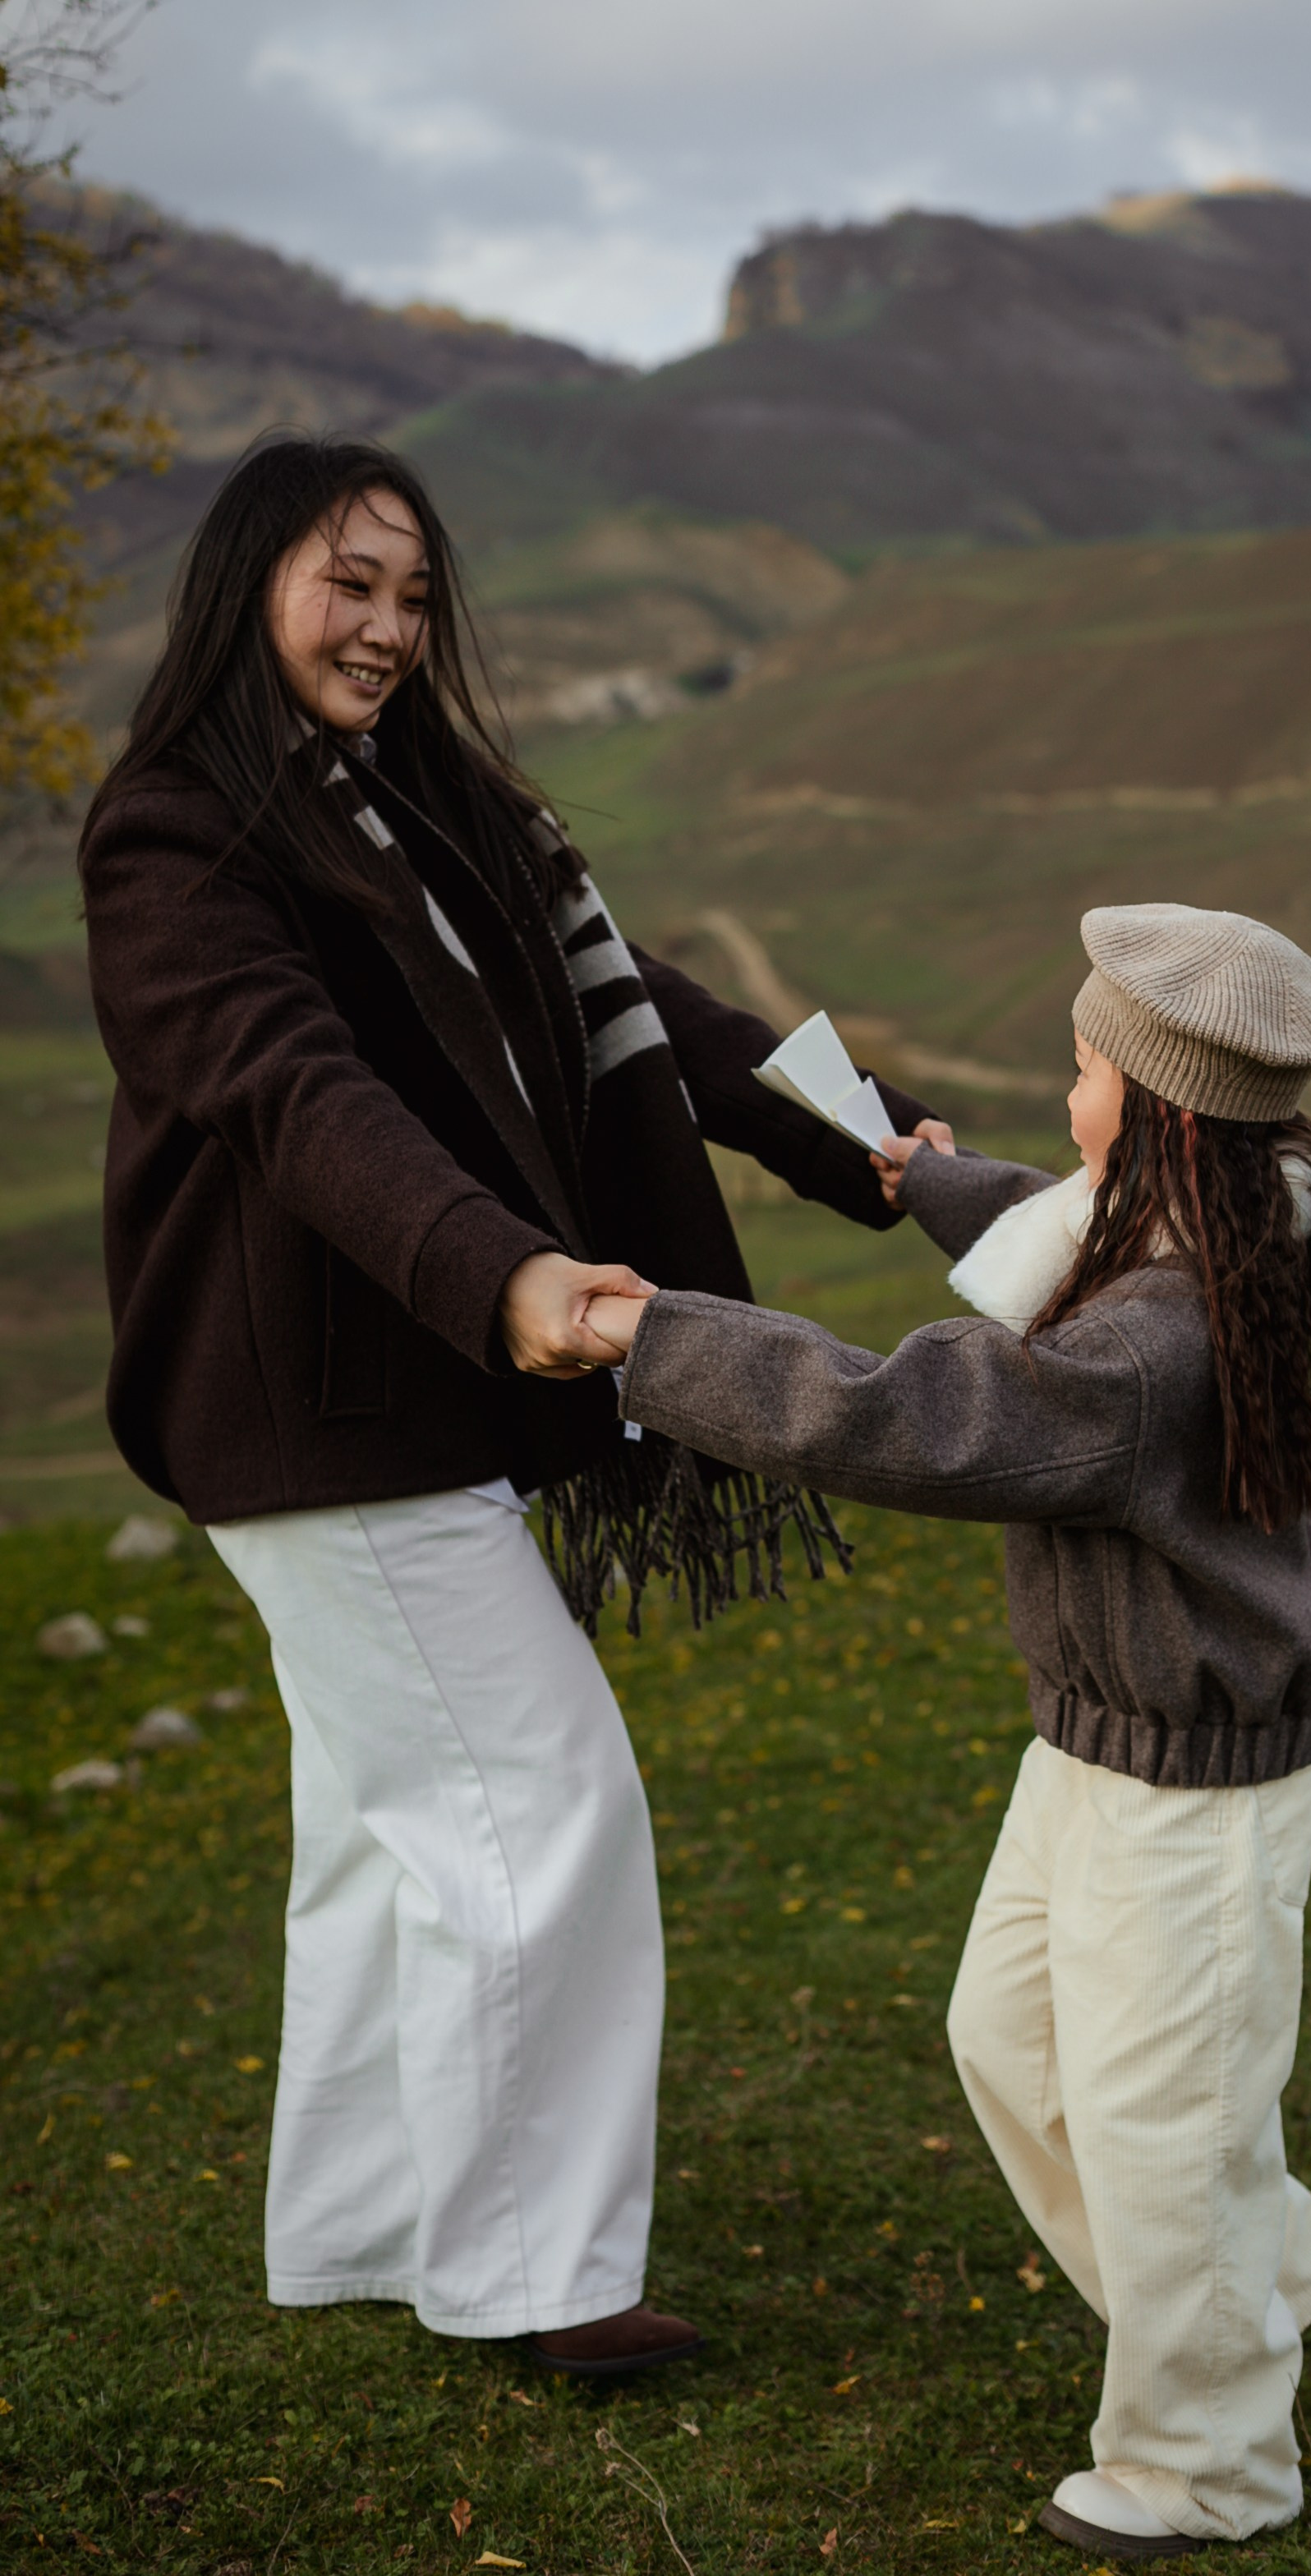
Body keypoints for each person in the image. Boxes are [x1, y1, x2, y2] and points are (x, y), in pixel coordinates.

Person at [78, 435, 937, 2380]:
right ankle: (539, 2281)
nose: (386, 628)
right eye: (344, 585)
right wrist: (505, 1273)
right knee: (535, 1803)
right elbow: (303, 1096)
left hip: (409, 1406)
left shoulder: (442, 812)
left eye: (411, 594)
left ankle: (372, 2227)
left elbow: (646, 1004)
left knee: (390, 1835)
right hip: (314, 1416)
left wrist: (857, 1139)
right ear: (246, 591)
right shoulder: (176, 842)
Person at [586, 903, 1311, 2553]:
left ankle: (1206, 2464)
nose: (1067, 1089)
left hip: (1192, 1796)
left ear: (1156, 1112)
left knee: (1165, 2132)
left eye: (1082, 1068)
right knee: (1009, 2044)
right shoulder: (1221, 1214)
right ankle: (1258, 2275)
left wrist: (649, 1337)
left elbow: (916, 1422)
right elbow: (1069, 1207)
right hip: (1099, 1749)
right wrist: (929, 1178)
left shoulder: (1144, 1347)